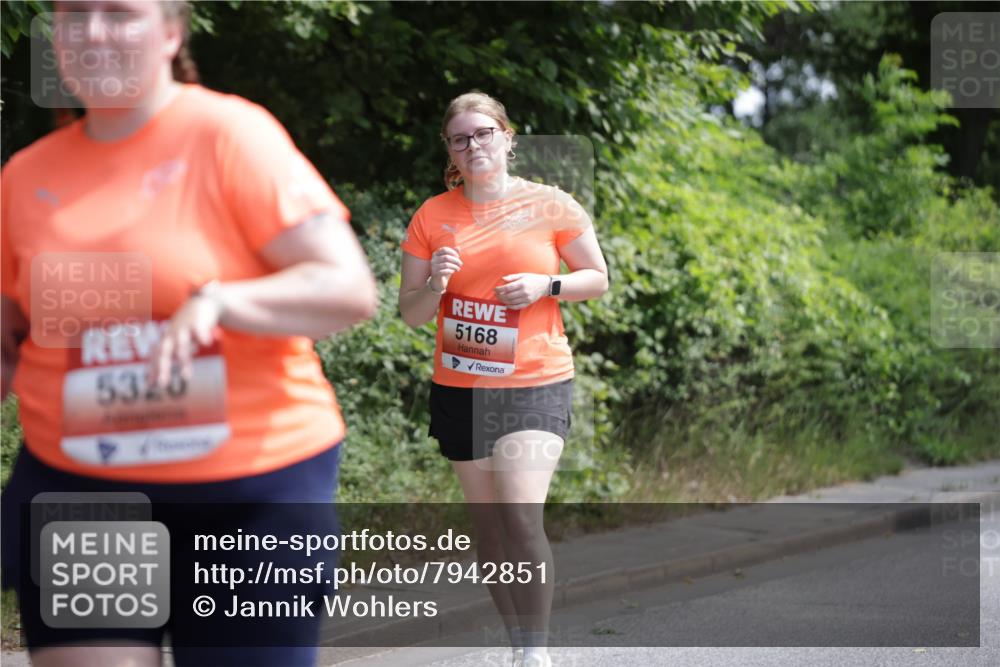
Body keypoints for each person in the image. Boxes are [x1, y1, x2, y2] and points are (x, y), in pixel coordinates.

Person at [0, 2, 376, 666]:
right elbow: (9, 339)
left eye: (118, 13)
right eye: (73, 14)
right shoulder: (26, 177)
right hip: (84, 490)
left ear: (171, 33)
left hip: (250, 488)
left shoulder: (230, 135)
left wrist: (220, 301)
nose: (92, 31)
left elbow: (346, 287)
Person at [397, 92, 609, 667]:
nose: (474, 146)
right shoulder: (431, 216)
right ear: (450, 149)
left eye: (484, 133)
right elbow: (410, 312)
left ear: (508, 138)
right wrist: (436, 285)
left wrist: (548, 287)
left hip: (536, 379)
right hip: (462, 386)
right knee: (488, 532)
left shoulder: (551, 204)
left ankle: (536, 651)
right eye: (461, 138)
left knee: (519, 514)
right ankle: (517, 643)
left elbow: (597, 277)